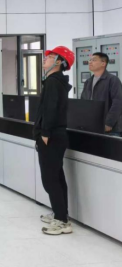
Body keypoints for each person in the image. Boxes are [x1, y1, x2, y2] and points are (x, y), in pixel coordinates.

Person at [34, 46, 74, 235]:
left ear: (59, 62)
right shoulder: (56, 81)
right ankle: (61, 214)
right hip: (56, 135)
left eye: (49, 57)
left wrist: (45, 132)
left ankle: (61, 221)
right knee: (57, 177)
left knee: (50, 179)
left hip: (51, 136)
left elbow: (50, 108)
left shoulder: (52, 82)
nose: (45, 59)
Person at [81, 52, 122, 136]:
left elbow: (118, 103)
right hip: (92, 126)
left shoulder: (113, 80)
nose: (90, 62)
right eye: (90, 60)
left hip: (110, 129)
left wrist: (109, 123)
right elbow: (83, 102)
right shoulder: (88, 81)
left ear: (103, 63)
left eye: (93, 60)